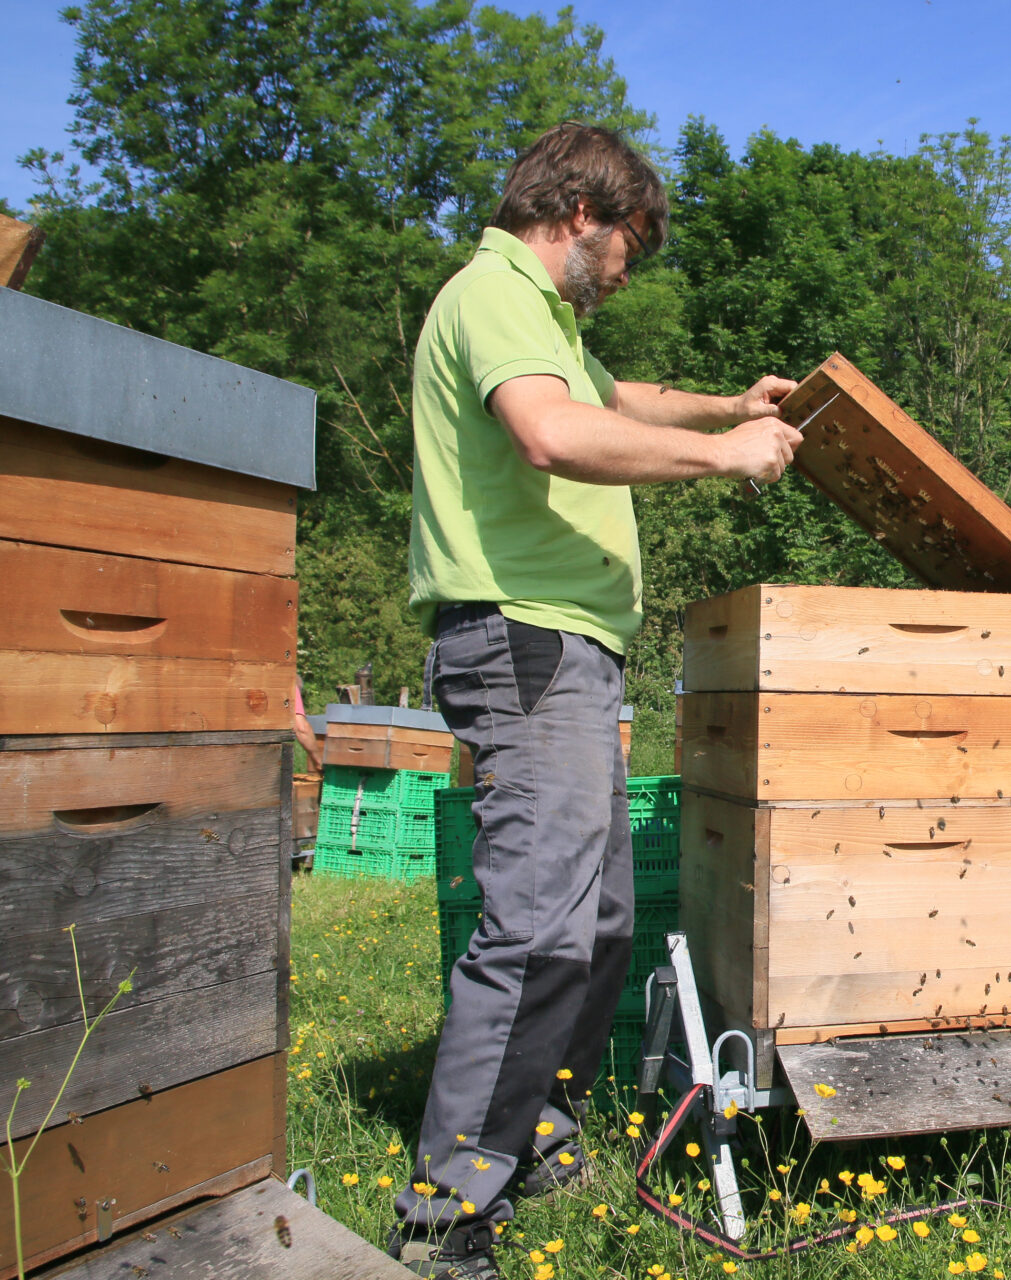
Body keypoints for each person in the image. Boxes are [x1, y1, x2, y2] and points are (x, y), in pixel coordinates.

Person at [390, 121, 802, 1277]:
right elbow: (556, 431)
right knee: (537, 929)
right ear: (581, 214)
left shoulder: (547, 320)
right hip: (521, 639)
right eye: (628, 248)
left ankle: (536, 1136)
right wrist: (729, 459)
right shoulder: (493, 293)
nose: (627, 273)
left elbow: (617, 395)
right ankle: (448, 1203)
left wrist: (724, 405)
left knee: (603, 923)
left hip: (569, 653)